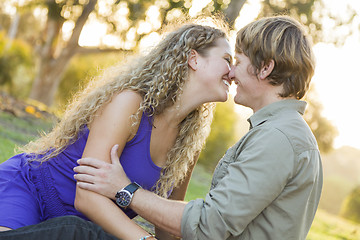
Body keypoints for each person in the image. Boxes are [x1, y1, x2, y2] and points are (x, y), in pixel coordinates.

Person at [74, 15, 323, 239]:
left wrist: (126, 190)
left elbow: (210, 224)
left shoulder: (277, 137)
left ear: (265, 68)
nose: (231, 73)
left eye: (237, 61)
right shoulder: (281, 133)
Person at [0, 18, 233, 240]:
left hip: (82, 229)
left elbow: (165, 222)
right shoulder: (130, 104)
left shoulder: (187, 142)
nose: (232, 73)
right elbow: (87, 197)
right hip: (30, 192)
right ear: (194, 59)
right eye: (227, 59)